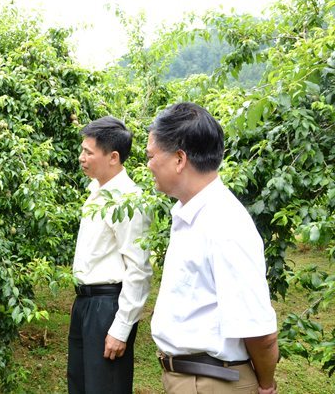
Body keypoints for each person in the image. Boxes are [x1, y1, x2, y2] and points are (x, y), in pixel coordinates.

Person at [147, 102, 279, 394]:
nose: (149, 165)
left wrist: (266, 385)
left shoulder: (225, 224)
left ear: (179, 159)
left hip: (210, 383)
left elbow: (260, 331)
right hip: (192, 379)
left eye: (152, 156)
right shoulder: (191, 213)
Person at [68, 116, 153, 394]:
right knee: (80, 385)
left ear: (113, 157)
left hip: (108, 306)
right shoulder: (96, 191)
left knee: (105, 387)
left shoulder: (127, 200)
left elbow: (138, 269)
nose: (81, 157)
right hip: (86, 304)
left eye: (88, 152)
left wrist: (121, 328)